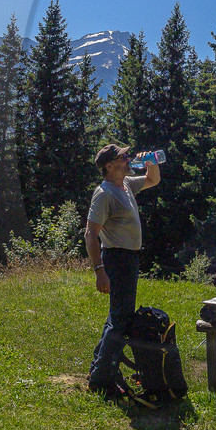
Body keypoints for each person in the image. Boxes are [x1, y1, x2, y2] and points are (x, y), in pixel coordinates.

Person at [85, 143, 161, 399]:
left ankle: (98, 369)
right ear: (109, 165)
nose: (128, 158)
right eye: (122, 156)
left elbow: (152, 179)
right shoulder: (104, 193)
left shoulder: (126, 184)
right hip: (116, 259)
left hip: (129, 259)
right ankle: (101, 380)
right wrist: (100, 270)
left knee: (118, 317)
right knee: (120, 320)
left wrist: (151, 162)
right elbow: (90, 234)